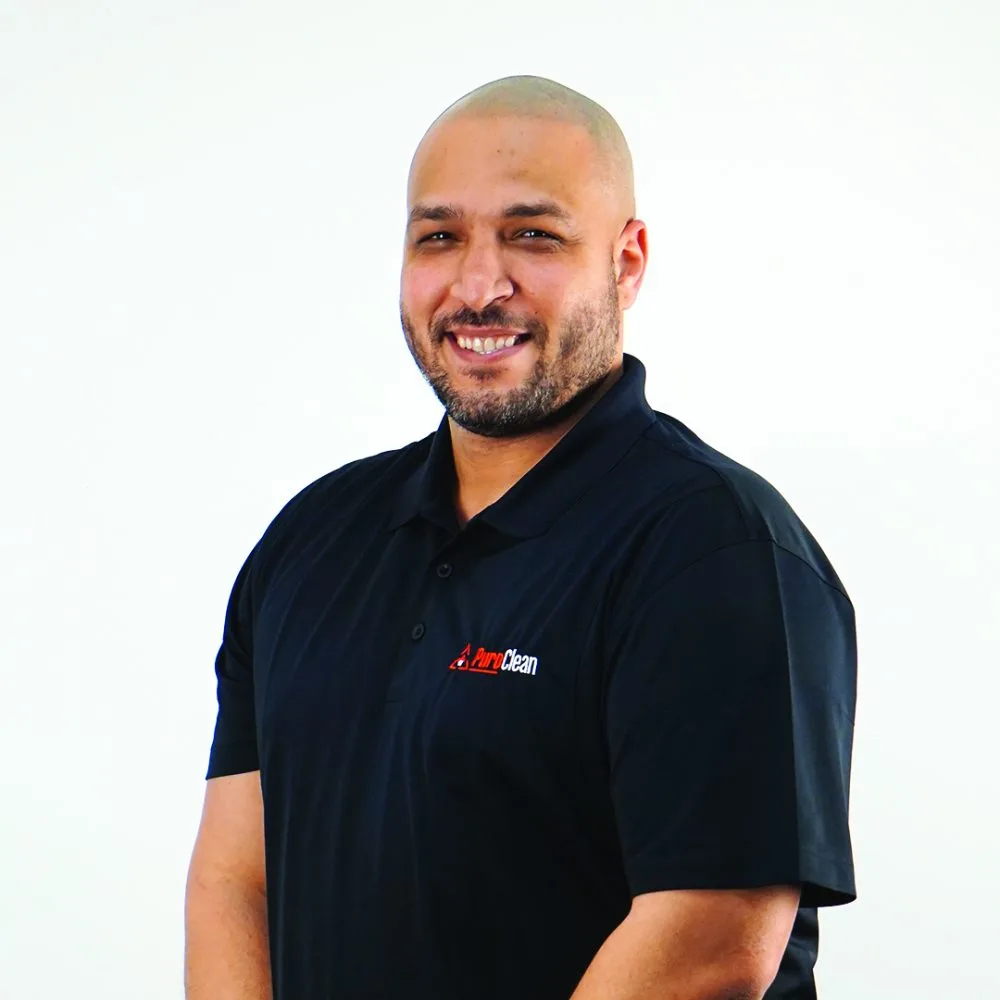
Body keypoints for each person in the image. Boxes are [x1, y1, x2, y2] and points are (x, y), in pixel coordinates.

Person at [184, 75, 857, 1000]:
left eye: (532, 235)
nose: (478, 284)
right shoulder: (312, 540)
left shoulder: (716, 552)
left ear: (626, 263)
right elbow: (236, 879)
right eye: (440, 236)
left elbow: (710, 938)